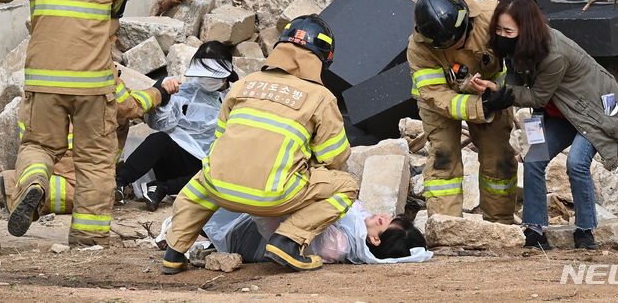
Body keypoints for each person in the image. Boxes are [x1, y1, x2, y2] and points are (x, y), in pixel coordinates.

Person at [162, 14, 357, 274]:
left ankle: (174, 251)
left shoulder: (243, 84)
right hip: (273, 197)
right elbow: (334, 158)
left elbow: (220, 140)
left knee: (207, 177)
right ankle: (288, 240)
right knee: (347, 186)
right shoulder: (321, 97)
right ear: (323, 57)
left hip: (220, 190)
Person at [0, 0, 128, 246]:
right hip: (94, 86)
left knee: (38, 146)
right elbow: (116, 16)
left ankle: (34, 182)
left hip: (44, 82)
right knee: (96, 161)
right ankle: (88, 240)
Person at [468, 0, 618, 250]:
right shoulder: (517, 48)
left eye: (508, 31)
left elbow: (537, 96)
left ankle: (585, 231)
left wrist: (500, 91)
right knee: (534, 159)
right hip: (560, 112)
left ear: (525, 30)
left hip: (592, 113)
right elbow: (515, 84)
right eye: (499, 29)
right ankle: (535, 230)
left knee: (576, 163)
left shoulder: (554, 54)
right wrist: (495, 89)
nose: (502, 35)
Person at [0, 72, 176, 214]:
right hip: (74, 153)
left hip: (41, 144)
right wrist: (158, 93)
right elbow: (126, 104)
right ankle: (15, 187)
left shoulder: (47, 54)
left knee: (38, 169)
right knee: (95, 196)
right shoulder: (94, 55)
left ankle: (30, 182)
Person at [407, 0, 518, 223]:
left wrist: (508, 91)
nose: (459, 45)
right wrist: (481, 106)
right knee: (443, 158)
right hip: (438, 103)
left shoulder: (492, 16)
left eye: (462, 38)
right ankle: (445, 229)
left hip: (493, 94)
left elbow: (523, 50)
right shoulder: (419, 49)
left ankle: (500, 224)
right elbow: (437, 96)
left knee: (499, 157)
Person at [115, 41, 237, 211]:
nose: (204, 81)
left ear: (225, 75)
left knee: (222, 170)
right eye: (201, 76)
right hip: (177, 158)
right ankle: (118, 183)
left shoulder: (237, 97)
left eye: (210, 77)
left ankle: (160, 188)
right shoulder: (186, 91)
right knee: (159, 139)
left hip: (206, 169)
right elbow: (160, 123)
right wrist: (164, 96)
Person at [196, 200, 430, 264]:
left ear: (375, 239)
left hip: (249, 237)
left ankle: (199, 237)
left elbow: (274, 227)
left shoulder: (338, 244)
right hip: (256, 228)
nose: (385, 215)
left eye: (384, 221)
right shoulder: (357, 225)